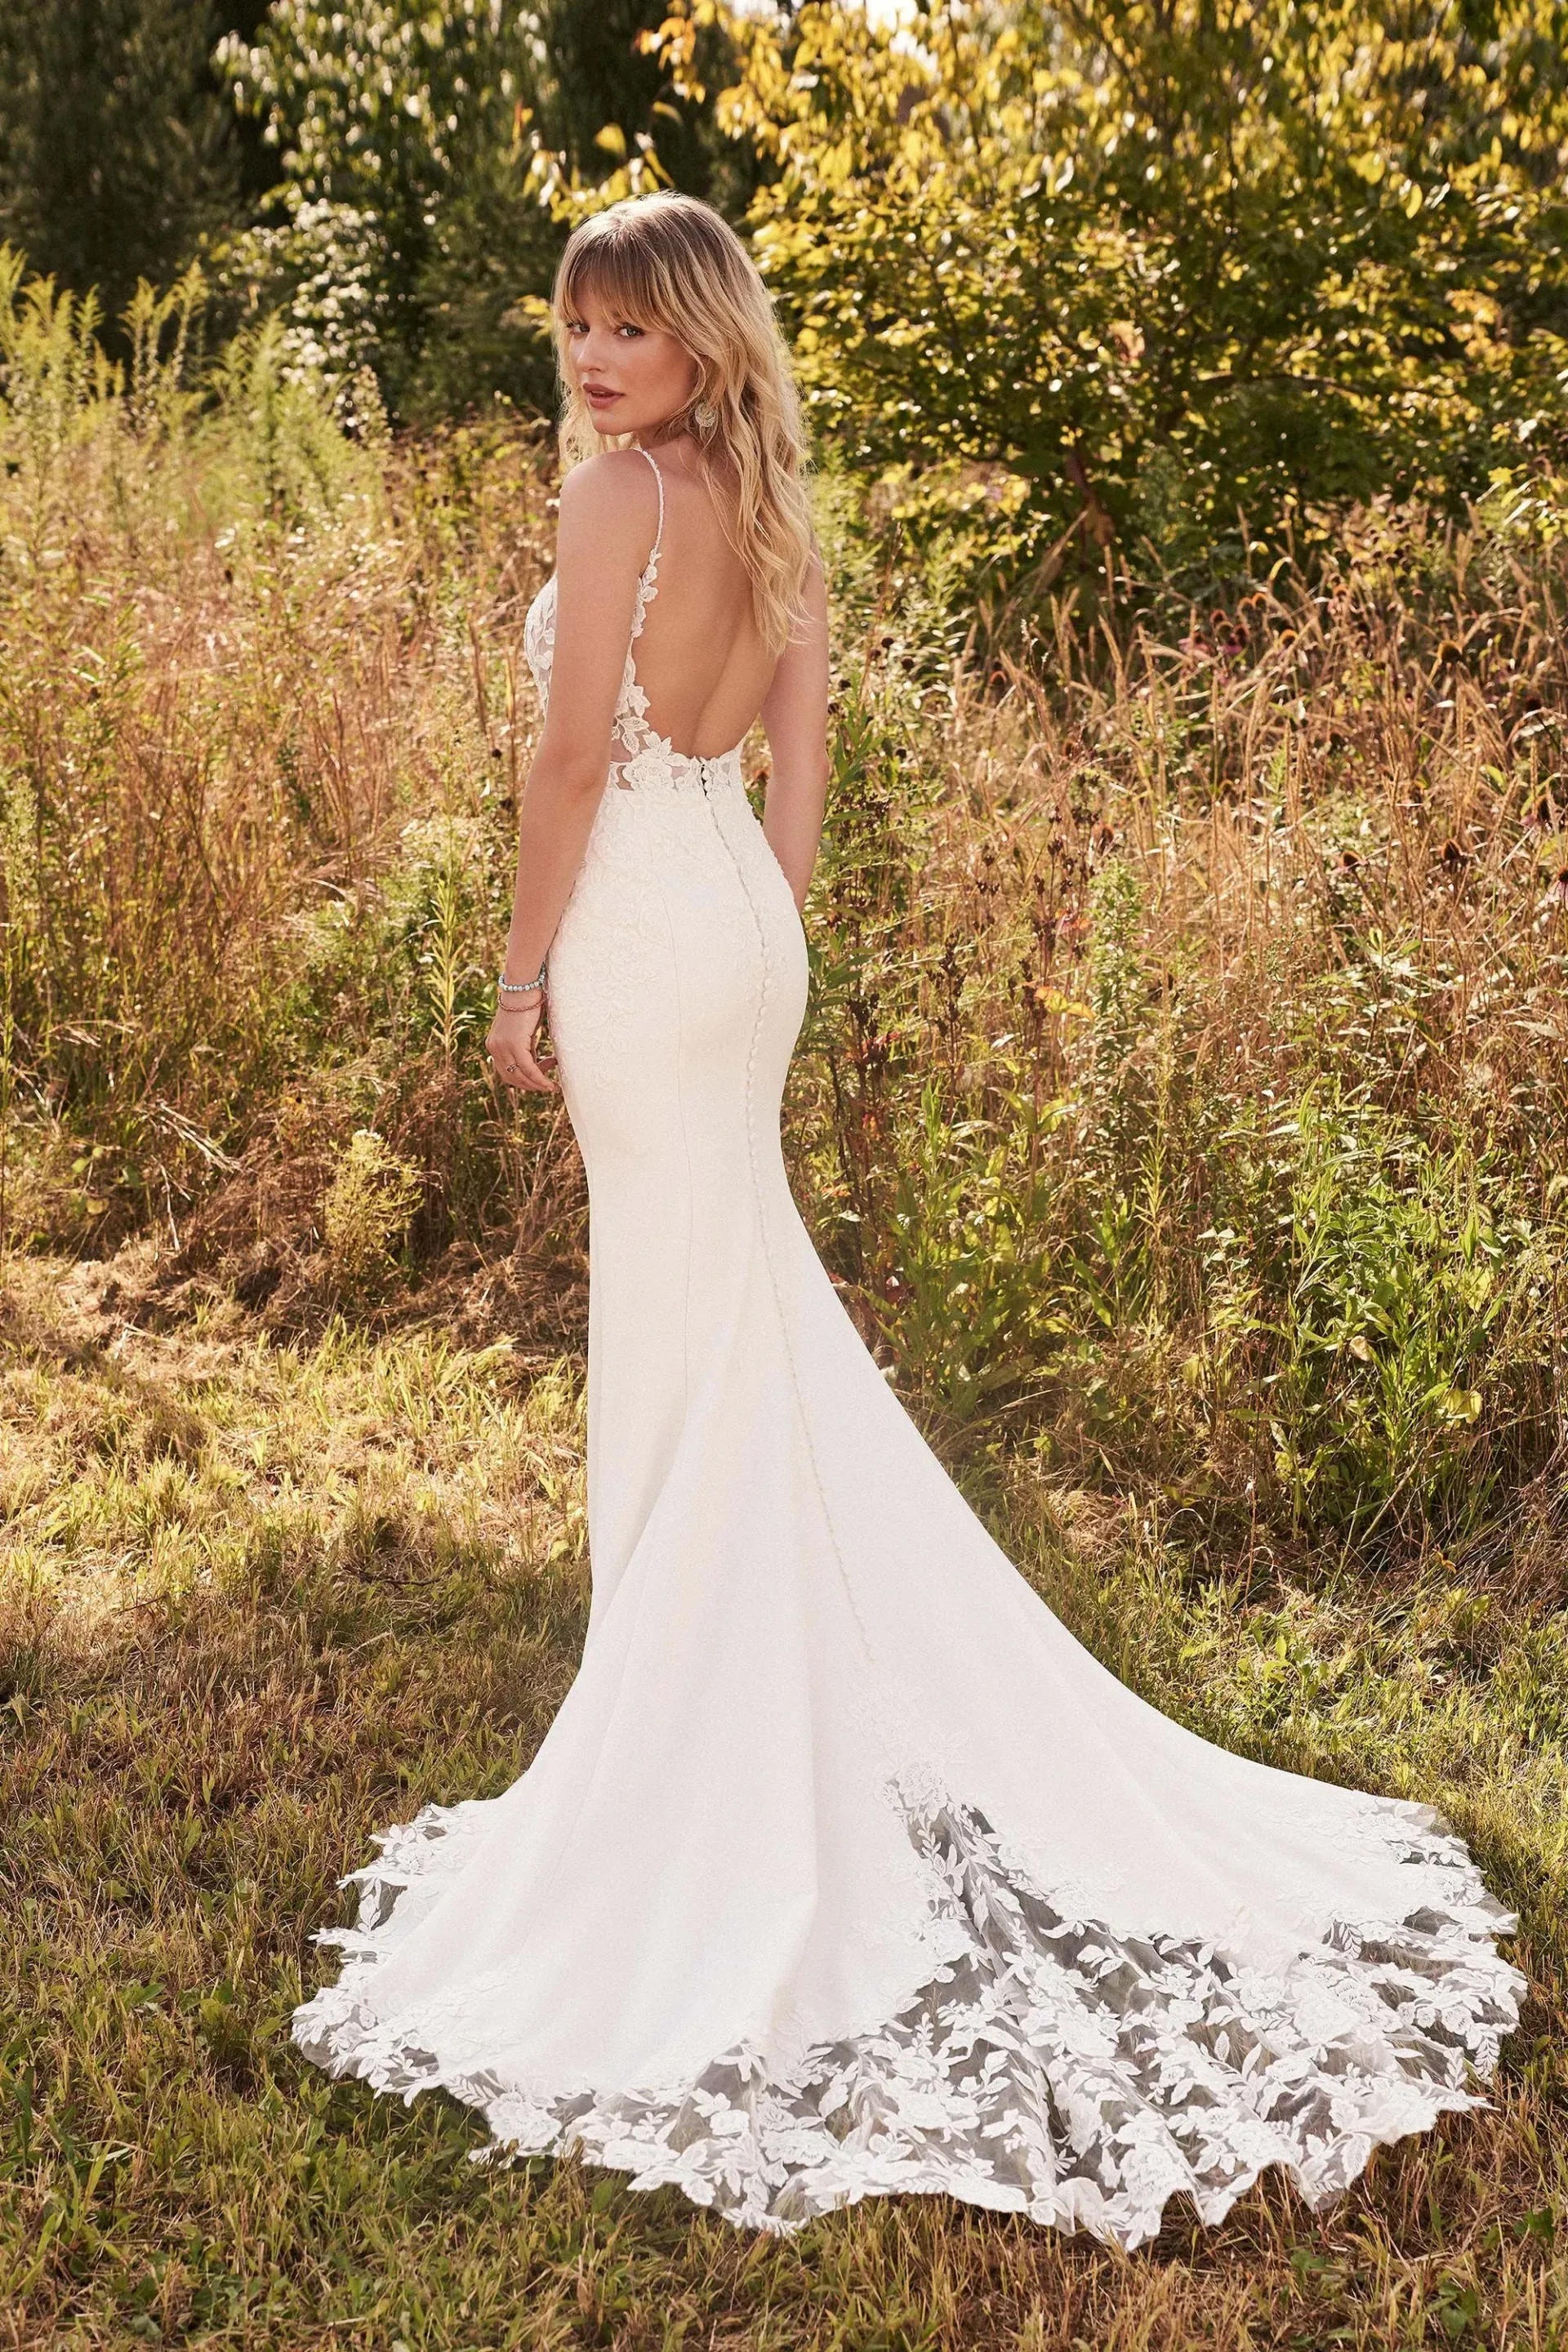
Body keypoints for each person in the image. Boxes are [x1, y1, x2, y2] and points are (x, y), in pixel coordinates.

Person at [292, 193, 1522, 2244]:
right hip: (743, 940)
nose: (592, 357)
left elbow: (571, 755)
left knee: (678, 1314)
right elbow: (797, 772)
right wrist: (759, 931)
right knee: (731, 1304)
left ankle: (684, 1762)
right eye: (575, 324)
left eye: (627, 325)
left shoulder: (618, 504)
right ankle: (715, 1691)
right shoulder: (775, 517)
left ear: (696, 338)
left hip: (635, 936)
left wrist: (518, 978)